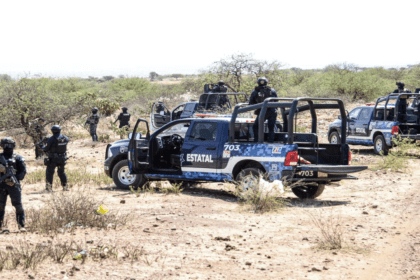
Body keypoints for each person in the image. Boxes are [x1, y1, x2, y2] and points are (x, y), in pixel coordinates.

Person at [0, 137, 27, 233]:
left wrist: (14, 179)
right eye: (5, 145)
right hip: (1, 185)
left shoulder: (18, 158)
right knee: (0, 206)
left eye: (9, 145)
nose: (7, 147)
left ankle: (21, 225)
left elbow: (23, 172)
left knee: (18, 205)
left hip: (14, 185)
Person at [41, 125, 69, 192]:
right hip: (62, 158)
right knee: (61, 172)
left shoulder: (51, 139)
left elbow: (46, 149)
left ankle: (49, 188)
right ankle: (65, 187)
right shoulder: (65, 138)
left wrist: (42, 146)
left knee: (49, 173)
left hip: (53, 159)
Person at [249, 77, 278, 143]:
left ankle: (257, 141)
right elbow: (276, 100)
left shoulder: (255, 91)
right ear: (266, 82)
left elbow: (251, 102)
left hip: (262, 112)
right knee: (271, 127)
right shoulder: (272, 90)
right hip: (273, 111)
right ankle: (270, 141)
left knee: (256, 126)